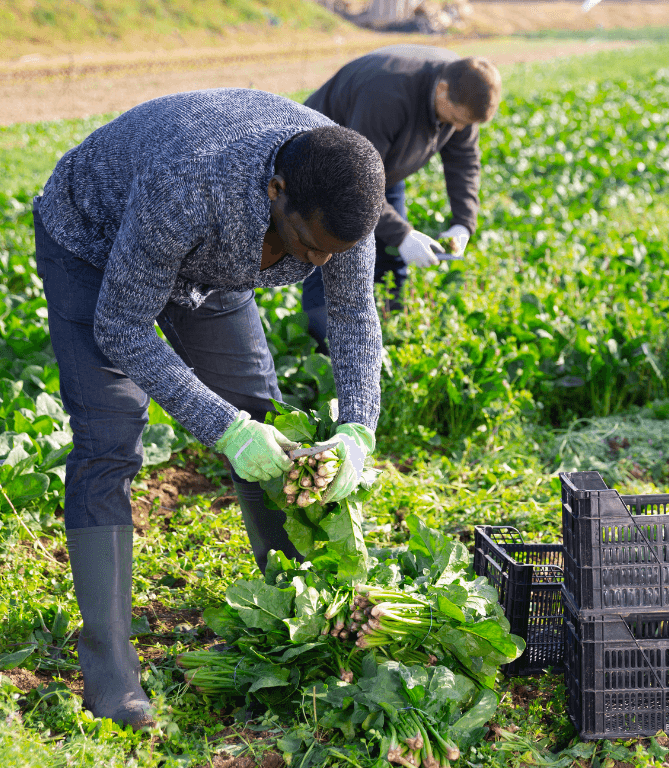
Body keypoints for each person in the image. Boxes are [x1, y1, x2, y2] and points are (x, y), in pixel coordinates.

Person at [32, 88, 386, 729]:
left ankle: (299, 615)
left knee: (260, 409)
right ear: (277, 190)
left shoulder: (343, 195)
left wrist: (358, 426)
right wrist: (223, 430)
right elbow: (122, 327)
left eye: (334, 250)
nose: (320, 262)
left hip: (210, 266)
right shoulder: (190, 184)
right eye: (310, 247)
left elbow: (355, 321)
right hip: (95, 243)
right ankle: (110, 670)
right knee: (109, 439)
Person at [299, 44, 502, 350]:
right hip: (325, 167)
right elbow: (354, 181)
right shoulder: (386, 95)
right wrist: (403, 234)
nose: (458, 129)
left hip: (382, 167)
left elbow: (463, 161)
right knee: (330, 258)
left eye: (466, 125)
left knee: (390, 262)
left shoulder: (462, 93)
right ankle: (323, 352)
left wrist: (463, 223)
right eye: (456, 119)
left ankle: (385, 338)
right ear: (442, 90)